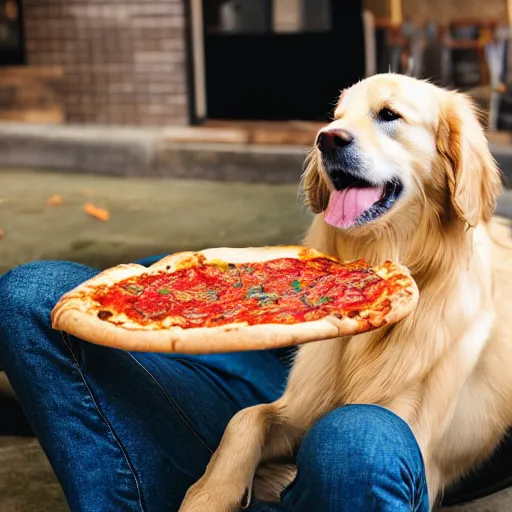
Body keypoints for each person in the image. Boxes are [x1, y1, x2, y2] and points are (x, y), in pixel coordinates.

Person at [0, 256, 510, 512]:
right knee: (29, 296)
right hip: (250, 366)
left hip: (316, 424)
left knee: (358, 441)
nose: (330, 135)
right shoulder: (321, 251)